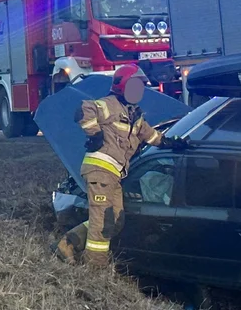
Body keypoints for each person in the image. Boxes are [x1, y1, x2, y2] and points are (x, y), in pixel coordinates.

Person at [54, 64, 184, 267]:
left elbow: (150, 135)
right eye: (135, 86)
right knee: (103, 220)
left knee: (115, 219)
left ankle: (68, 243)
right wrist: (95, 133)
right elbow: (84, 110)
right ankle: (95, 267)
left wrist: (171, 142)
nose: (138, 91)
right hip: (100, 171)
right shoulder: (109, 105)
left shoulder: (134, 116)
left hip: (114, 175)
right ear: (122, 86)